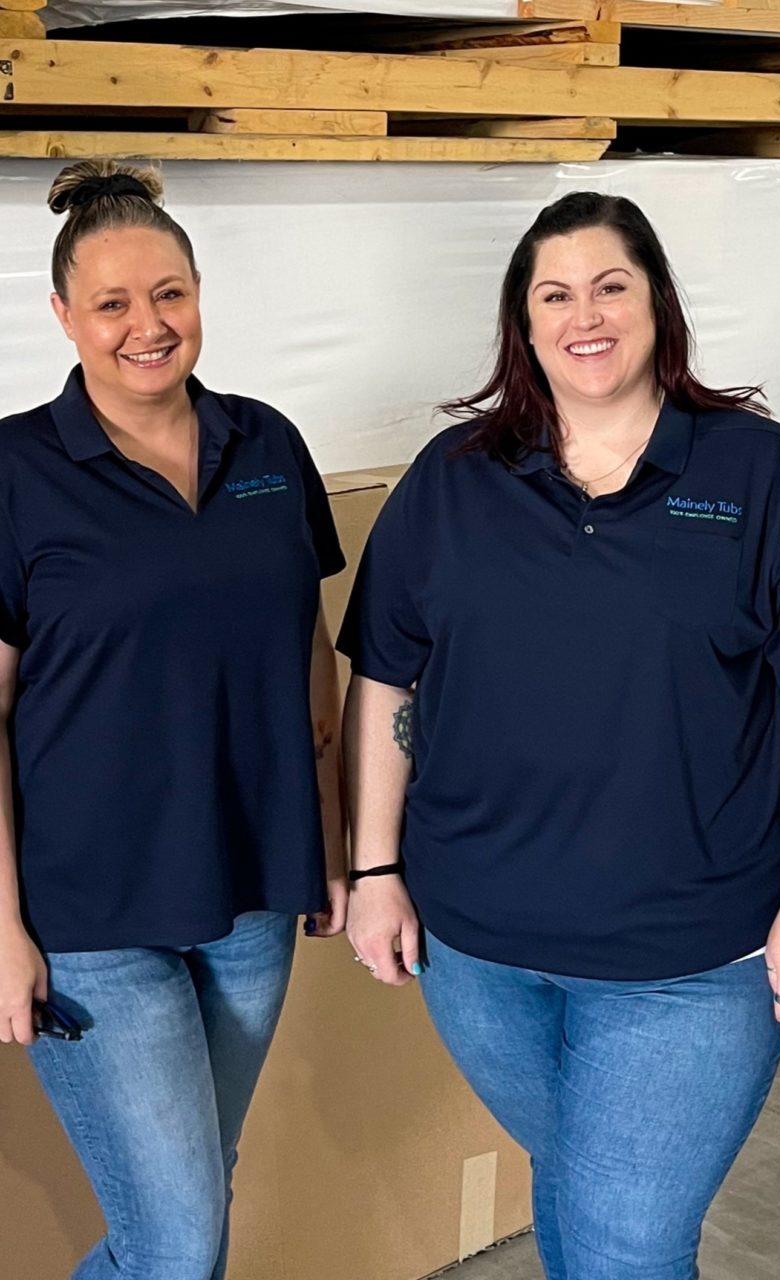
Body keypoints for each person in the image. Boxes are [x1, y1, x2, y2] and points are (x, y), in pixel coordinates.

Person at [338, 190, 780, 1279]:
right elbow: (386, 680)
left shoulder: (758, 475)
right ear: (523, 323)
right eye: (554, 293)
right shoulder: (452, 481)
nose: (583, 315)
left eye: (609, 286)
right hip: (477, 950)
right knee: (581, 1198)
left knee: (623, 1244)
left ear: (656, 305)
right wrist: (373, 867)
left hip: (690, 959)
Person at [0, 160, 349, 1280]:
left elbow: (305, 645)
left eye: (169, 294)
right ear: (62, 315)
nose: (147, 326)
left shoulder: (268, 446)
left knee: (190, 1200)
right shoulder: (13, 471)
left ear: (199, 294)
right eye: (112, 303)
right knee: (178, 1238)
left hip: (249, 890)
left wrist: (331, 834)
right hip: (88, 913)